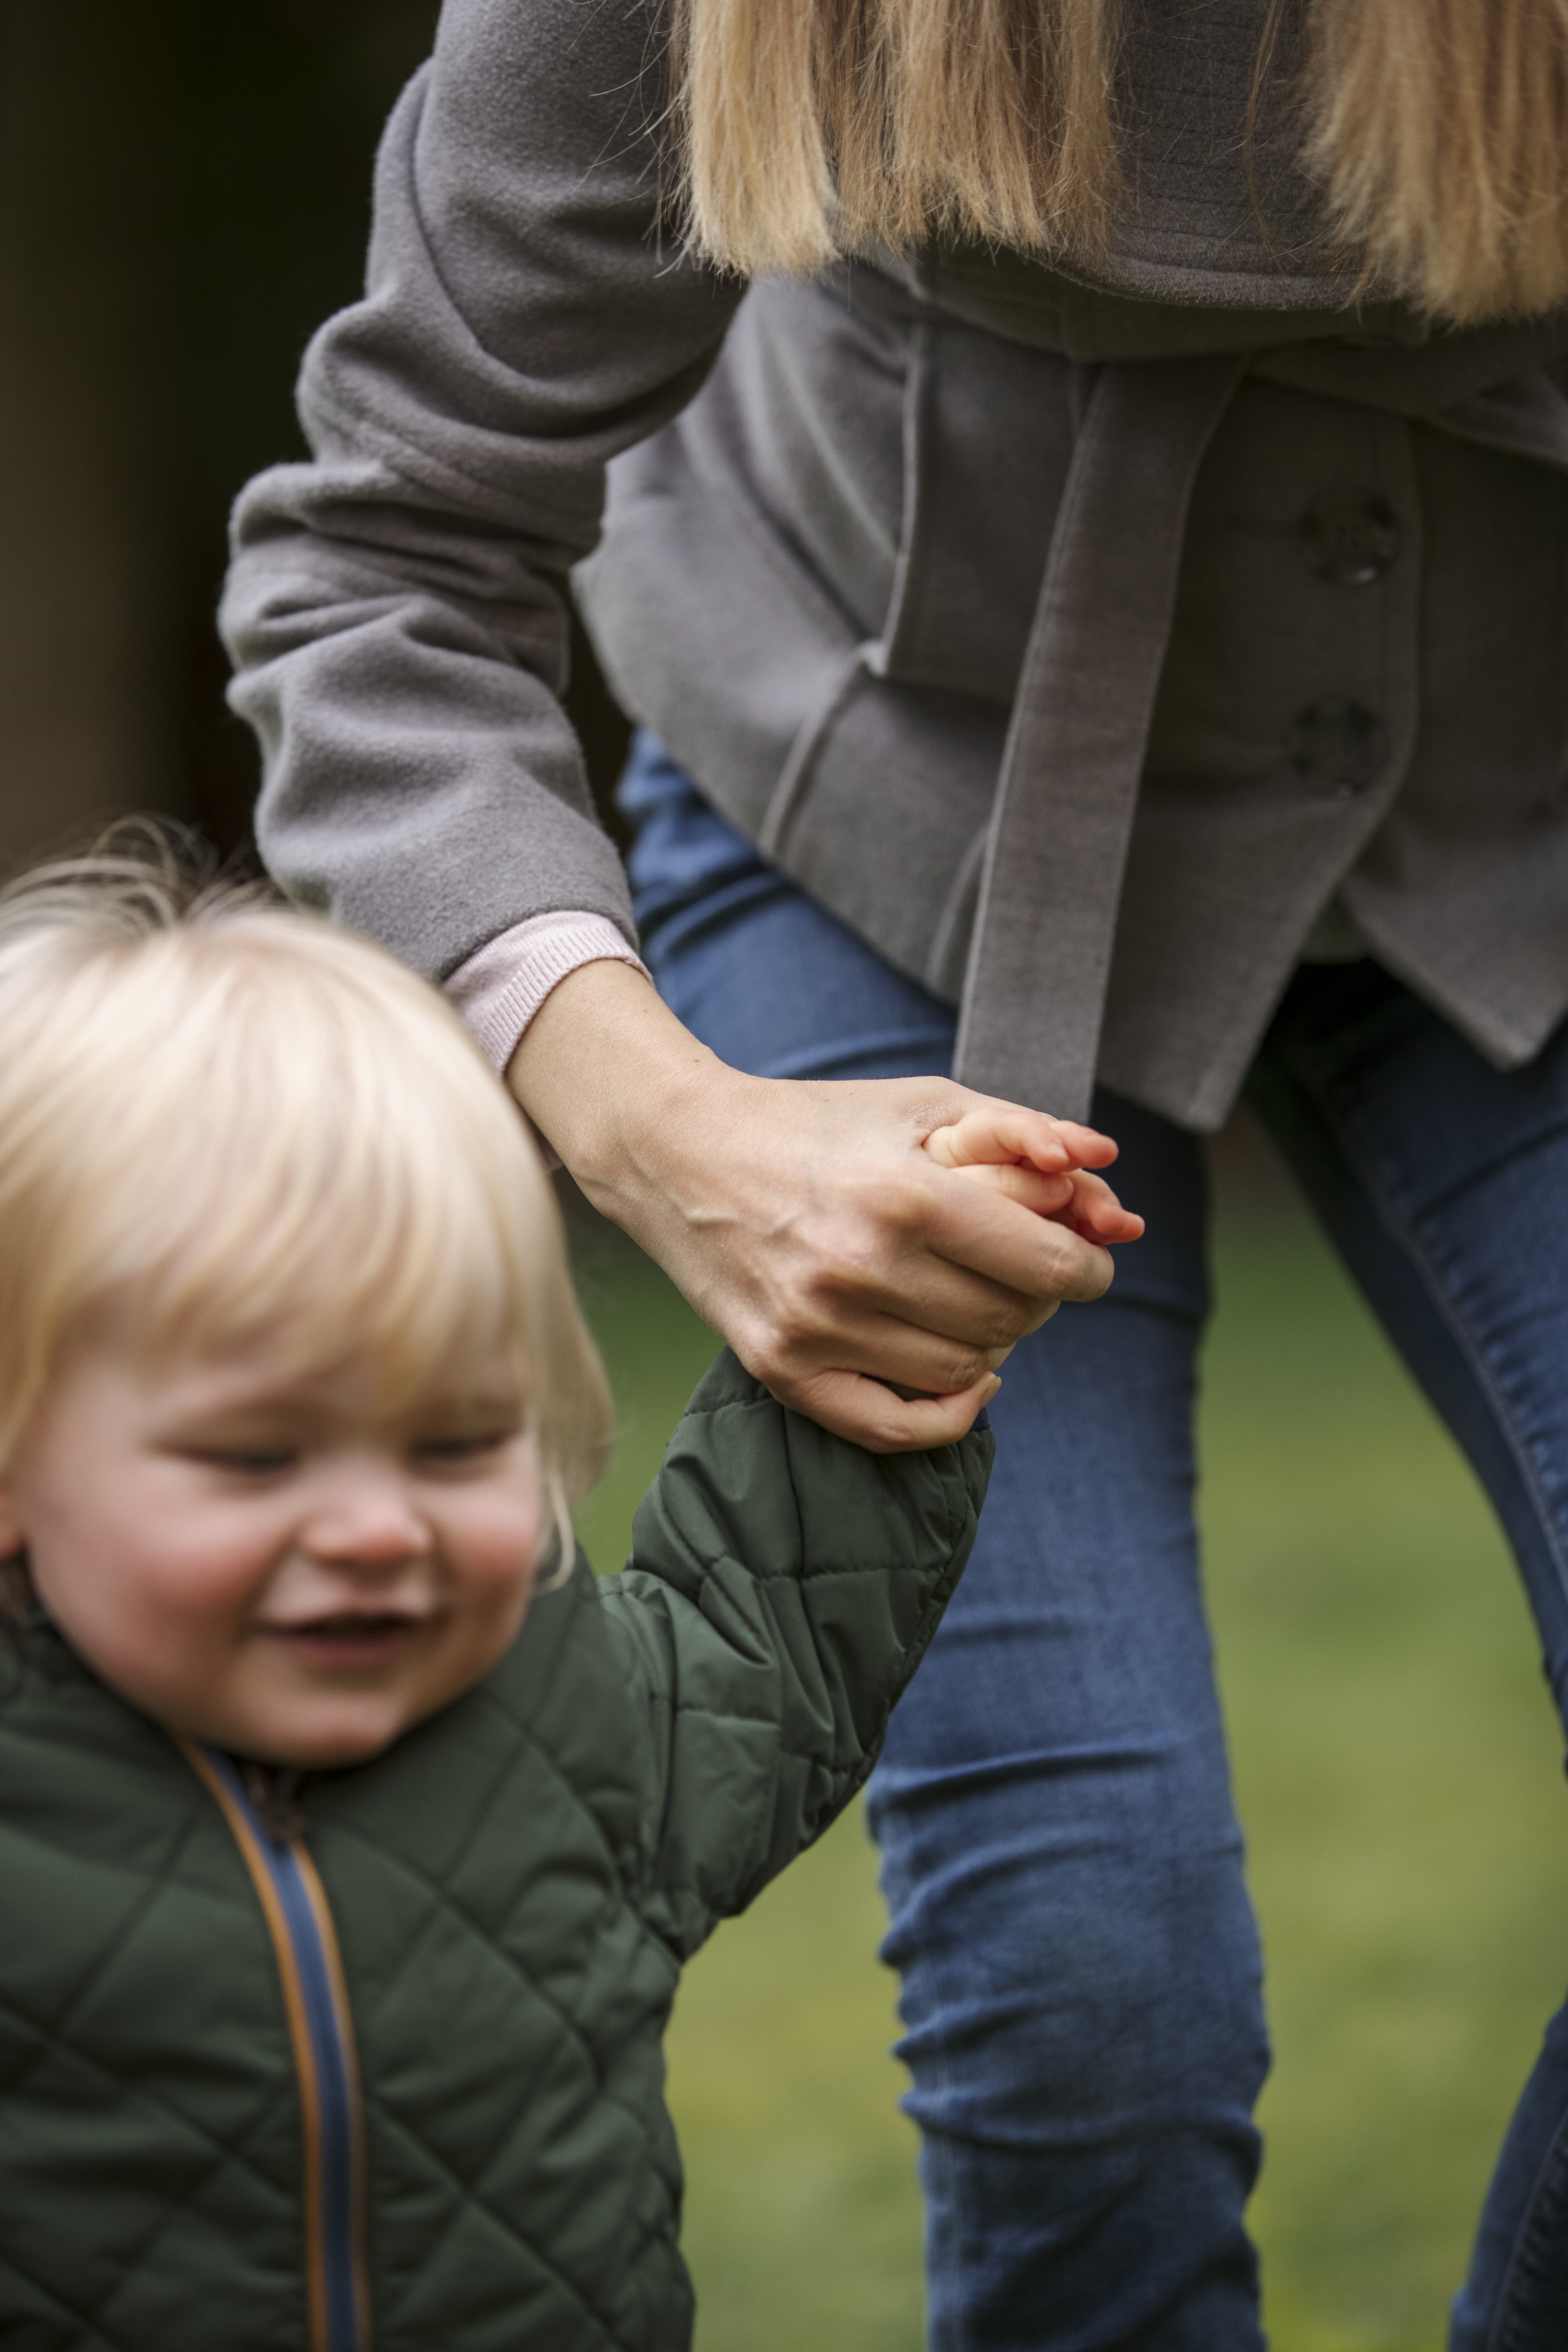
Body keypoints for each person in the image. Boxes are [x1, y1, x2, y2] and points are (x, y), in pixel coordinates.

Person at [220, 1, 1568, 2341]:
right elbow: (384, 562)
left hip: (1528, 827)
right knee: (1087, 1980)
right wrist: (676, 1135)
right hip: (885, 827)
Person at [0, 837, 1055, 2351]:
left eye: (455, 1441)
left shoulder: (592, 1725)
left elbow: (784, 1586)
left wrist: (903, 1304)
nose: (373, 1529)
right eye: (252, 1458)